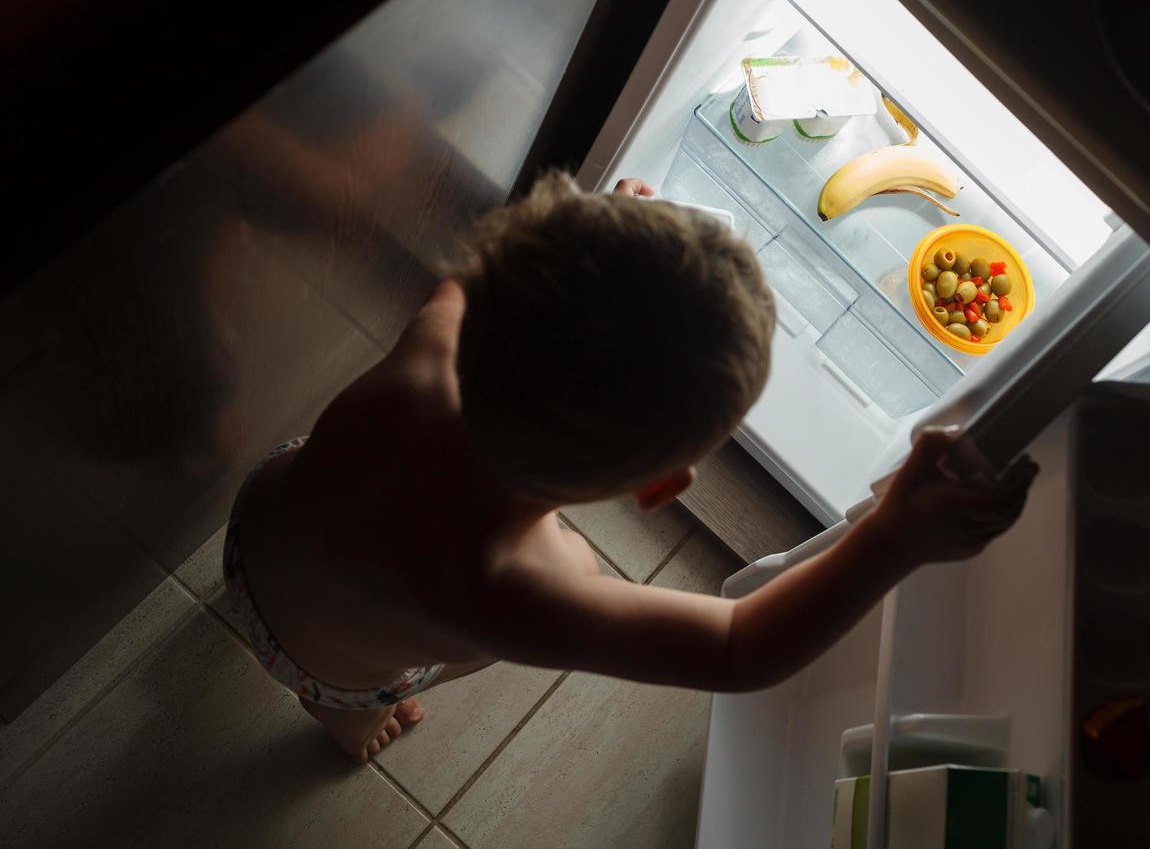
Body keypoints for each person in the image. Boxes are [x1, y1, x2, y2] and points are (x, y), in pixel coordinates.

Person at [222, 172, 1038, 762]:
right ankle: (342, 716)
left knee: (363, 561)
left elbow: (493, 277)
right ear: (658, 487)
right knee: (518, 594)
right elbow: (736, 650)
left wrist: (602, 231)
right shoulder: (515, 592)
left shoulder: (434, 349)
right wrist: (893, 538)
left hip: (260, 523)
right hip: (326, 665)